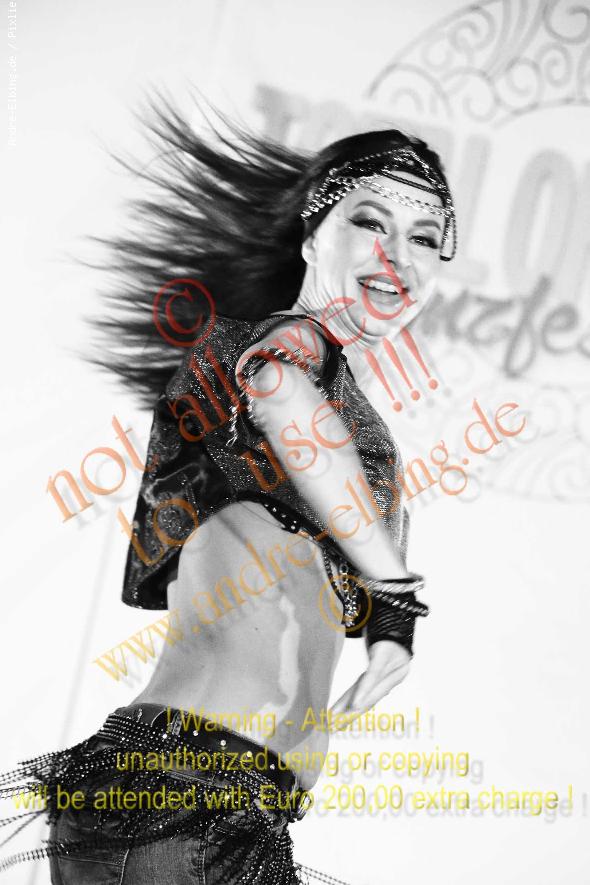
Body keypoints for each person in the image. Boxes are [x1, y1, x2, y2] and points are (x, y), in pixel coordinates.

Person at [0, 99, 456, 884]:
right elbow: (279, 392)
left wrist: (388, 620)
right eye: (370, 222)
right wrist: (395, 587)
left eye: (424, 237)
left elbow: (338, 494)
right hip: (192, 794)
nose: (398, 255)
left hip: (201, 798)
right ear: (312, 238)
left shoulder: (347, 409)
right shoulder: (287, 344)